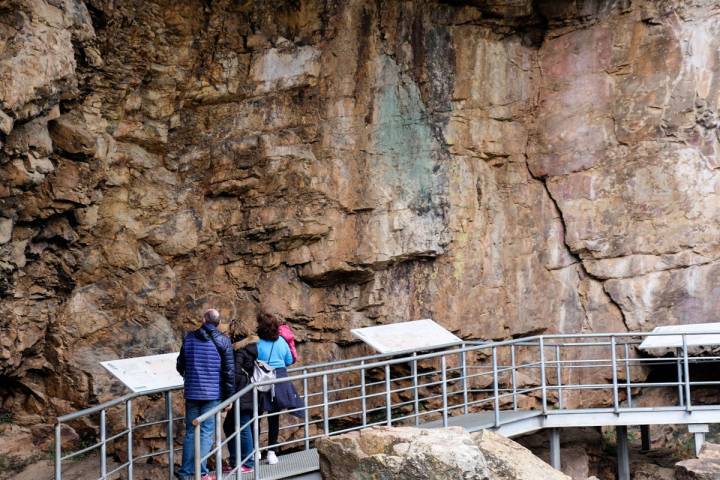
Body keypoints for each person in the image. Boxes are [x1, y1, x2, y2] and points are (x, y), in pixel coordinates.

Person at [175, 309, 234, 480]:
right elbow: (228, 372)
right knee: (205, 433)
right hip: (212, 394)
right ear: (218, 323)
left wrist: (191, 377)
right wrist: (229, 398)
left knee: (191, 433)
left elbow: (180, 365)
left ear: (203, 320)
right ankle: (200, 473)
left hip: (192, 393)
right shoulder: (223, 341)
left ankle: (185, 474)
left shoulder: (189, 338)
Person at [256, 312, 304, 465]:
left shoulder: (256, 342)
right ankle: (271, 453)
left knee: (256, 416)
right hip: (280, 380)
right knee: (274, 418)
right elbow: (289, 360)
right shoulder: (282, 342)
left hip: (261, 380)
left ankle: (255, 451)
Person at [222, 333, 258, 474]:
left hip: (241, 394)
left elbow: (235, 373)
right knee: (230, 425)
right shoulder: (252, 348)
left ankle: (248, 463)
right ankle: (235, 461)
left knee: (243, 426)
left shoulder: (240, 351)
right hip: (246, 392)